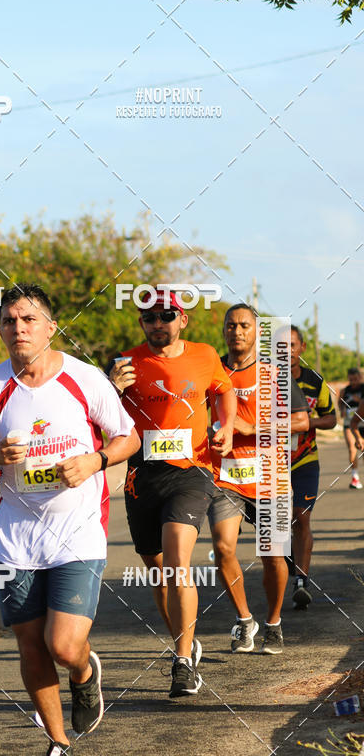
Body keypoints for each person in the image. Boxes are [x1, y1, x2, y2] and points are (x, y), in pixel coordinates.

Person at [0, 284, 139, 756]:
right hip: (16, 538)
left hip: (78, 532)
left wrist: (95, 460)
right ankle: (58, 746)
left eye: (30, 319)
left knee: (62, 644)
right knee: (30, 647)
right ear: (0, 330)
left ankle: (83, 673)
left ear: (50, 326)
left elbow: (130, 437)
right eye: (10, 321)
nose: (20, 329)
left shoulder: (84, 379)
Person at [108, 288, 236, 697]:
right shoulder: (124, 363)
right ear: (141, 323)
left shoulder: (205, 355)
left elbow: (225, 389)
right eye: (149, 317)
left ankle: (182, 662)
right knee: (159, 568)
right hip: (141, 475)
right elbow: (99, 417)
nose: (157, 323)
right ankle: (186, 642)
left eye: (166, 316)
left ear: (184, 320)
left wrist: (228, 426)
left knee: (179, 562)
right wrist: (112, 388)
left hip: (192, 470)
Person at [207, 305, 310, 654]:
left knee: (273, 556)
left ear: (257, 333)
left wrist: (253, 427)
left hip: (271, 478)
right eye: (231, 325)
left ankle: (274, 623)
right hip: (227, 477)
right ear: (224, 331)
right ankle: (244, 620)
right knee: (223, 548)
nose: (237, 331)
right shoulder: (212, 370)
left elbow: (301, 422)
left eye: (244, 325)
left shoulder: (274, 373)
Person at [290, 326, 337, 610]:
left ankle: (301, 581)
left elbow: (330, 419)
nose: (288, 350)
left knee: (301, 517)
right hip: (272, 461)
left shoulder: (314, 380)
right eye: (282, 345)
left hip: (306, 459)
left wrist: (307, 423)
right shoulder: (266, 378)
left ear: (302, 348)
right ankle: (290, 564)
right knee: (273, 524)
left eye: (293, 344)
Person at [339, 367, 364, 489]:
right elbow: (340, 403)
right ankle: (355, 478)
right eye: (351, 380)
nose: (353, 382)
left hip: (362, 422)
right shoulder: (345, 391)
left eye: (355, 379)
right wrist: (342, 410)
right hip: (349, 422)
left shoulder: (363, 388)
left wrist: (358, 400)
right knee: (352, 448)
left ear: (360, 377)